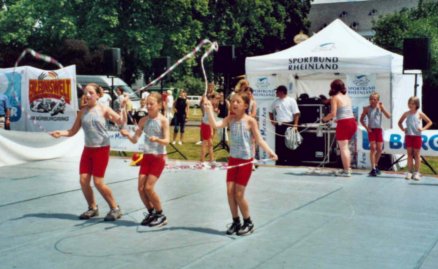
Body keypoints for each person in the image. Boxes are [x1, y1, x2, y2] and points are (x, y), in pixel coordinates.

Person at [203, 91, 277, 235]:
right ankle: (236, 221)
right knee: (230, 192)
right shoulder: (230, 119)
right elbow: (215, 124)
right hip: (233, 160)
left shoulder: (250, 121)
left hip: (245, 162)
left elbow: (259, 140)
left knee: (239, 194)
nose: (234, 104)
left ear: (245, 106)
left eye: (238, 102)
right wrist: (209, 110)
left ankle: (248, 222)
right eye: (233, 101)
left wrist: (270, 152)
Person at [49, 83, 126, 221]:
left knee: (98, 182)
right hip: (88, 149)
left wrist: (123, 107)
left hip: (101, 149)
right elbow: (72, 131)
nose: (88, 95)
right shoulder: (82, 112)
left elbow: (120, 121)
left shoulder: (103, 109)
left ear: (97, 95)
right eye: (86, 92)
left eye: (91, 92)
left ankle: (115, 208)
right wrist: (60, 133)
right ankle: (93, 208)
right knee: (83, 180)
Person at [120, 92, 170, 226]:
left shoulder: (163, 120)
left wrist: (157, 139)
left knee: (148, 188)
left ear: (159, 105)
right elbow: (135, 140)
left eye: (151, 104)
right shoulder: (143, 121)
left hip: (158, 157)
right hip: (146, 157)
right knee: (141, 188)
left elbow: (167, 141)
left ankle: (161, 215)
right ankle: (151, 212)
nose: (148, 106)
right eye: (147, 103)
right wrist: (127, 135)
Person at [322, 79, 357, 177]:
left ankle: (346, 171)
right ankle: (347, 168)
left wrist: (324, 119)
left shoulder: (335, 97)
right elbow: (345, 112)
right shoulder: (347, 97)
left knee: (343, 148)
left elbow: (332, 113)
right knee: (346, 147)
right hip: (352, 122)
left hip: (344, 123)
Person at [398, 96, 432, 181]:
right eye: (409, 103)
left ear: (416, 104)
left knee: (416, 154)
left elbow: (429, 122)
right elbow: (399, 122)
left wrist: (423, 129)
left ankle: (416, 172)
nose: (410, 105)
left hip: (417, 136)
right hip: (408, 136)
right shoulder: (406, 113)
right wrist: (403, 129)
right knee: (409, 154)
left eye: (412, 103)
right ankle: (409, 172)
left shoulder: (419, 113)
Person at [360, 92, 391, 176]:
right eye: (371, 99)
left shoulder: (380, 107)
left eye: (374, 99)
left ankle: (376, 165)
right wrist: (367, 128)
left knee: (380, 149)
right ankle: (373, 167)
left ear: (378, 100)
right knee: (373, 148)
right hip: (372, 130)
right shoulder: (367, 108)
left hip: (379, 130)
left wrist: (382, 107)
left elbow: (388, 116)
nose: (372, 101)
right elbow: (361, 119)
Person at [269, 85, 300, 165]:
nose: (276, 93)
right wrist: (272, 120)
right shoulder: (276, 102)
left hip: (289, 125)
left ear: (282, 92)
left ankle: (291, 162)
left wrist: (295, 125)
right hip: (279, 126)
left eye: (277, 91)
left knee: (290, 143)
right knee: (280, 145)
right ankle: (280, 162)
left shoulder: (291, 100)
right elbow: (270, 111)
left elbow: (296, 113)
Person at [200, 92, 218, 165]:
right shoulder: (208, 103)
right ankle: (202, 160)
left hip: (208, 125)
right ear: (212, 98)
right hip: (206, 125)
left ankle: (211, 159)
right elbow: (205, 101)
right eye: (216, 99)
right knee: (205, 143)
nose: (217, 100)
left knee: (210, 144)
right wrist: (204, 97)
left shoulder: (211, 105)